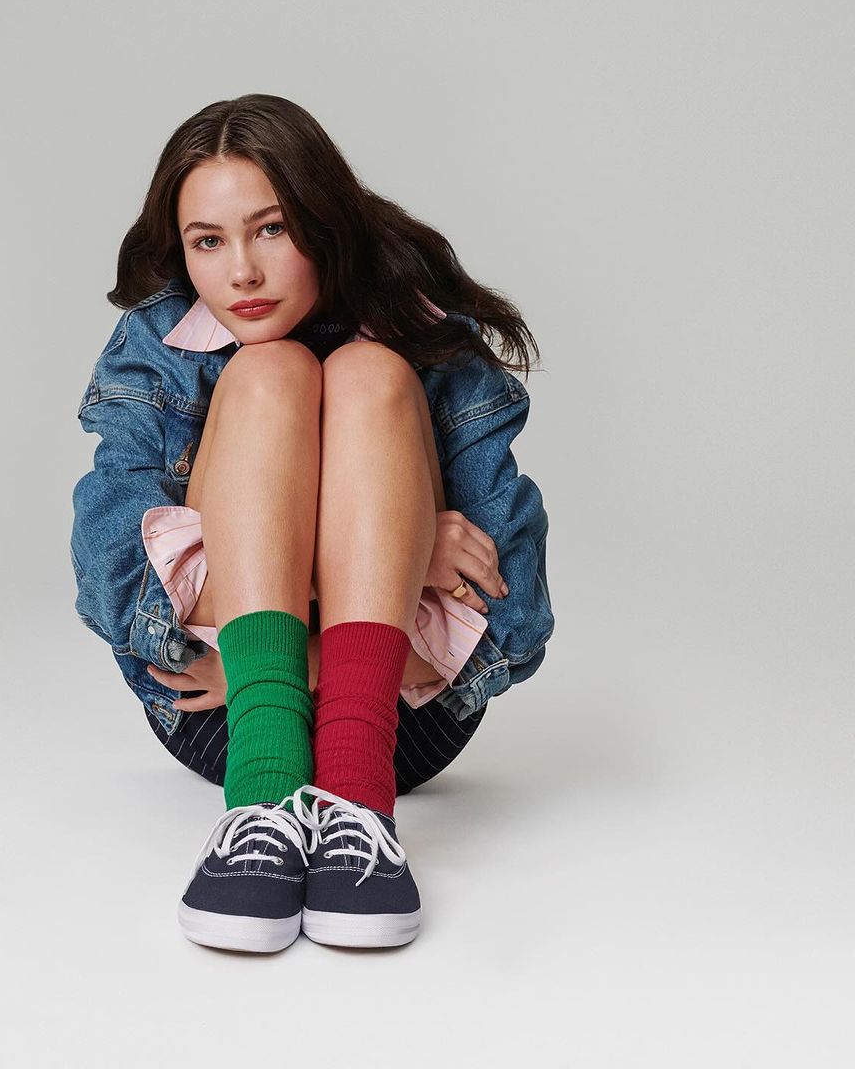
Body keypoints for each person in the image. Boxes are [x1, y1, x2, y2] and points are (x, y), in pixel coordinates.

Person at [70, 94, 554, 953]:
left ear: (322, 221)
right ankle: (261, 799)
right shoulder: (157, 343)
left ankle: (358, 802)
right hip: (220, 707)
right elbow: (114, 580)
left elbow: (511, 618)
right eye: (208, 241)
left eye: (272, 229)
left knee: (370, 372)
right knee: (270, 373)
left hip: (403, 717)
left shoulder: (421, 329)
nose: (242, 274)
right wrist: (402, 549)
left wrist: (303, 641)